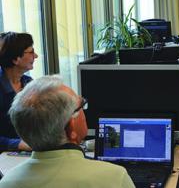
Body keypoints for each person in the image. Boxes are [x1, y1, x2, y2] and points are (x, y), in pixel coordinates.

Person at [0, 75, 135, 188]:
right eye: (81, 105)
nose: (84, 111)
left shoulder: (7, 183)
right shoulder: (114, 178)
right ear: (71, 126)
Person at [0, 32, 38, 151]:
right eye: (31, 52)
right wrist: (19, 144)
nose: (36, 56)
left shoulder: (29, 83)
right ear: (16, 59)